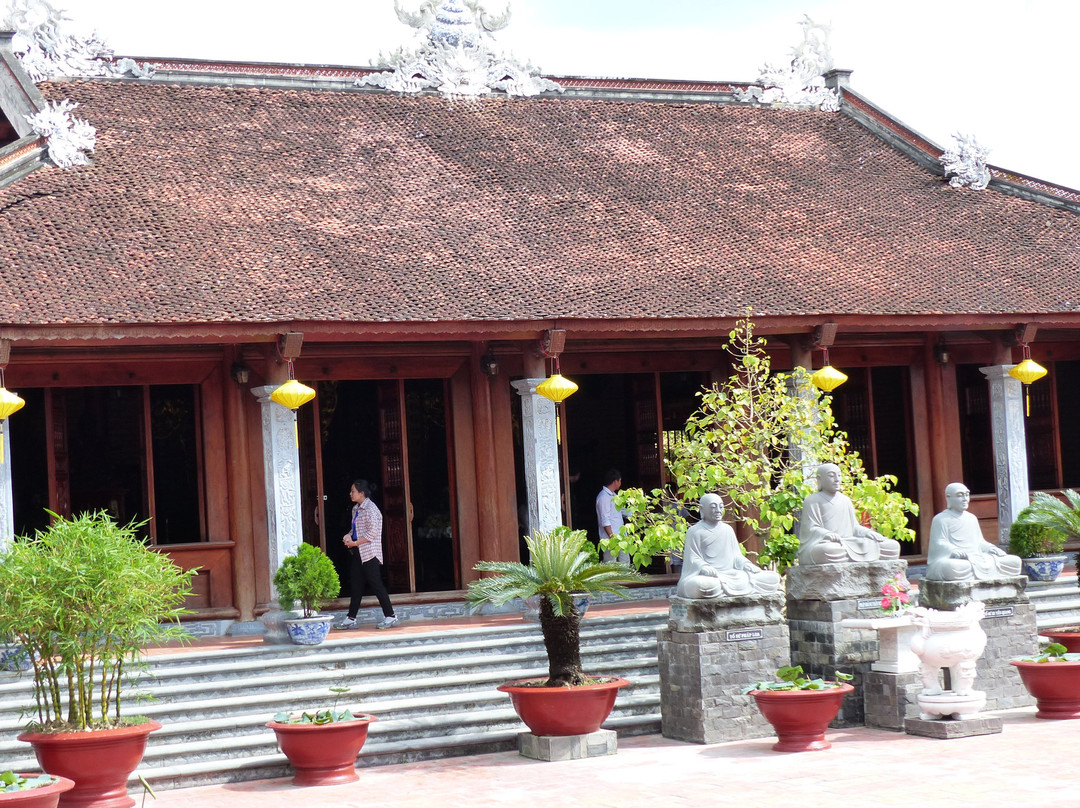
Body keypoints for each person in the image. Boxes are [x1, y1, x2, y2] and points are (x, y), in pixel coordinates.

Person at [677, 493, 780, 598]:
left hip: (734, 575)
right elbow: (692, 558)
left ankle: (732, 588)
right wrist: (703, 567)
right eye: (713, 507)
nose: (718, 510)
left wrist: (746, 564)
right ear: (702, 510)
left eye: (721, 506)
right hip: (712, 577)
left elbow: (736, 556)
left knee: (773, 578)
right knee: (699, 585)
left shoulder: (727, 529)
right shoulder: (695, 531)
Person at [797, 463, 901, 565]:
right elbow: (810, 529)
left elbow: (854, 527)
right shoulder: (812, 500)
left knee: (892, 546)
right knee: (826, 550)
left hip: (850, 542)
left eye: (839, 475)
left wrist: (868, 533)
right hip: (831, 544)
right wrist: (826, 534)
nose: (837, 479)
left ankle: (854, 556)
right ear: (819, 479)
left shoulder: (845, 500)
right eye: (831, 475)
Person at [335, 479, 400, 629]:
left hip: (370, 552)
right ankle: (351, 618)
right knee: (356, 585)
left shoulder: (371, 509)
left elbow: (372, 533)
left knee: (376, 584)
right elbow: (355, 529)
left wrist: (355, 543)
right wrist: (348, 536)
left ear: (362, 493)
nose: (350, 494)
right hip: (358, 552)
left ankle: (390, 616)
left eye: (353, 491)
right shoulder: (355, 509)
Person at [926, 482, 1022, 581]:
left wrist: (990, 548)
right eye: (960, 495)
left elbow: (979, 542)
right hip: (959, 560)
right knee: (952, 567)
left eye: (967, 495)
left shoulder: (971, 518)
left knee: (1015, 561)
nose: (965, 499)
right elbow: (939, 543)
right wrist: (954, 550)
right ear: (948, 497)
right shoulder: (941, 519)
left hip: (977, 557)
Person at [596, 468, 630, 563]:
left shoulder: (614, 496)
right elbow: (604, 519)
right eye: (620, 480)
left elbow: (622, 510)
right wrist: (612, 538)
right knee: (611, 565)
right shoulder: (603, 497)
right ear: (616, 481)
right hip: (610, 538)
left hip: (621, 537)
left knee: (625, 564)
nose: (620, 483)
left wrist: (637, 512)